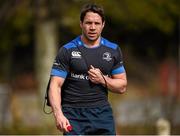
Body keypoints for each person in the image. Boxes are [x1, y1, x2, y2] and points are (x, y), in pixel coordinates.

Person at [48, 3, 127, 135]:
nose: (92, 27)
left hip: (102, 113)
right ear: (81, 24)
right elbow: (55, 85)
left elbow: (122, 86)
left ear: (103, 25)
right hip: (73, 114)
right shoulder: (67, 50)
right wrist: (58, 115)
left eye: (97, 23)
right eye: (88, 23)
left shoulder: (113, 50)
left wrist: (103, 79)